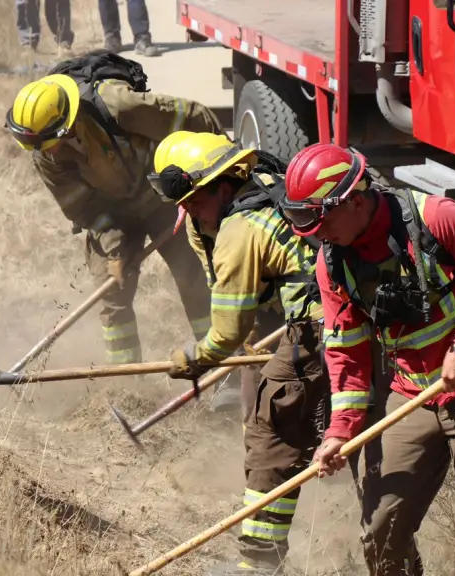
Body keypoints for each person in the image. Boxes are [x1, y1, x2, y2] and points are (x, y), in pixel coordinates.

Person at [279, 142, 455, 576]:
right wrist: (340, 432)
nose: (316, 234)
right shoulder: (333, 264)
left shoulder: (436, 217)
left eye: (321, 220)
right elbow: (348, 355)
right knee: (380, 532)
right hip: (414, 392)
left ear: (356, 202)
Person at [150, 130, 330, 575]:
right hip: (289, 320)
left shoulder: (239, 230)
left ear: (224, 186)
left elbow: (227, 333)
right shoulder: (262, 184)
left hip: (315, 330)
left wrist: (194, 359)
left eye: (193, 200)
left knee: (272, 444)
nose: (187, 211)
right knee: (259, 426)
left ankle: (257, 565)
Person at [5, 61, 223, 366]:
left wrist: (218, 175)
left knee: (194, 276)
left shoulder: (118, 106)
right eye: (37, 146)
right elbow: (82, 208)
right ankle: (128, 380)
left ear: (66, 125)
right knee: (111, 295)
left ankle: (219, 367)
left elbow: (193, 117)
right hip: (116, 213)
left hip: (166, 199)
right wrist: (115, 251)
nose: (46, 152)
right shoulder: (44, 153)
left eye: (49, 144)